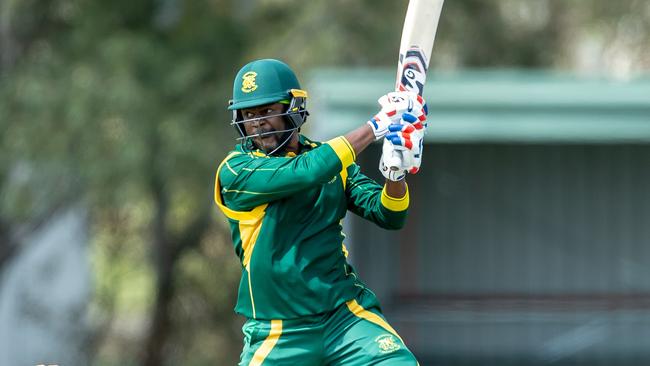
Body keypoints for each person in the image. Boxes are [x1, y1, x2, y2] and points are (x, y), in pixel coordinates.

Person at [214, 58, 427, 366]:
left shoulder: (330, 161)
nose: (258, 122)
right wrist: (377, 125)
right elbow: (304, 173)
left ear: (295, 108)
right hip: (278, 331)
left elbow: (390, 215)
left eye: (267, 111)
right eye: (249, 114)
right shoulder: (236, 170)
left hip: (345, 317)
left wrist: (396, 171)